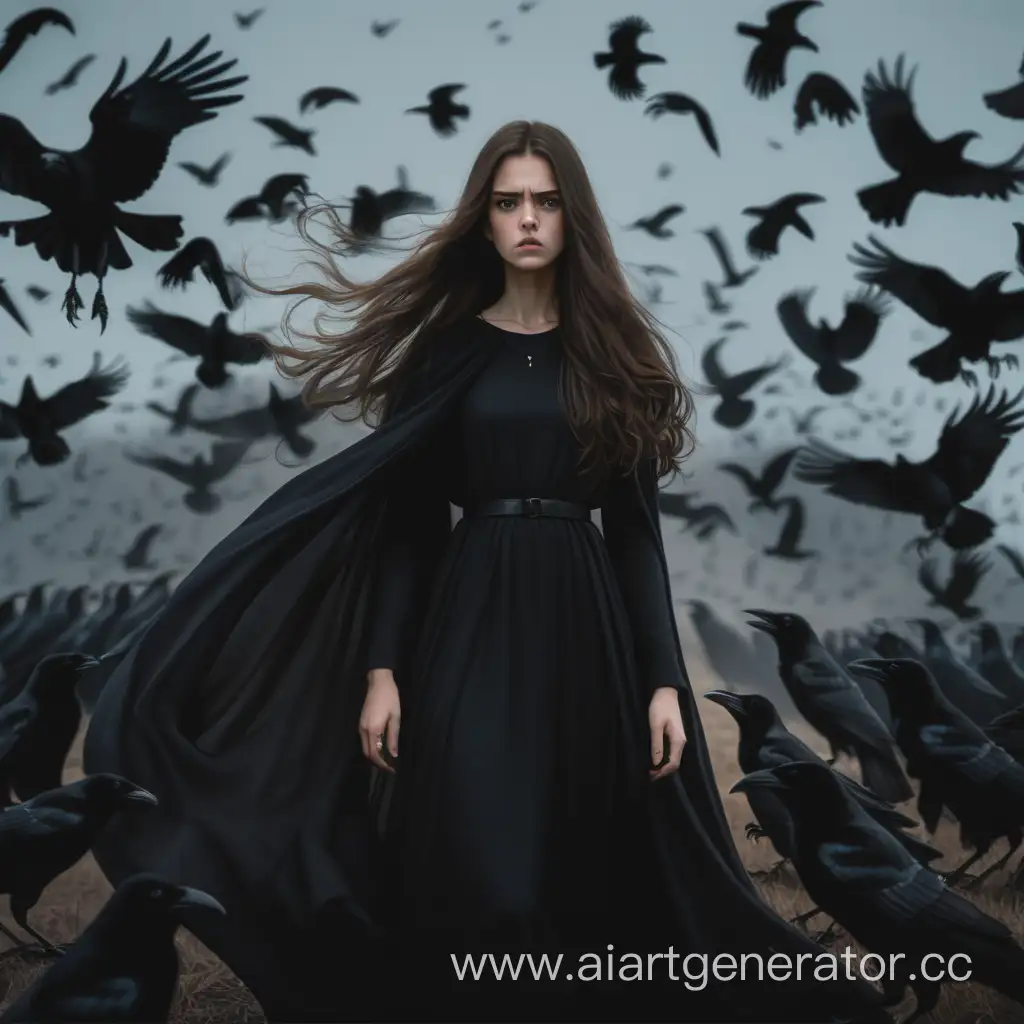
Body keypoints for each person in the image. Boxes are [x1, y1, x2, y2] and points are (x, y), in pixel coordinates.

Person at [84, 121, 889, 1023]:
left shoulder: (617, 356)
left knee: (577, 874)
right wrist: (384, 668)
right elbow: (408, 526)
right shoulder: (447, 352)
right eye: (508, 202)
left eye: (546, 201)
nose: (528, 219)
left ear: (573, 215)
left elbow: (634, 534)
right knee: (481, 866)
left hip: (587, 631)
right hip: (467, 623)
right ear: (485, 220)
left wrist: (664, 681)